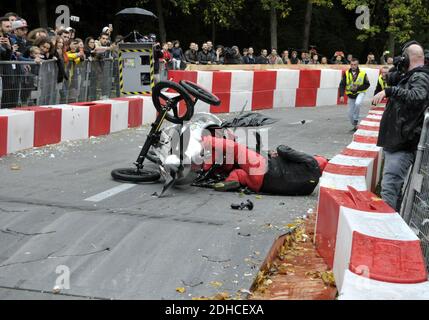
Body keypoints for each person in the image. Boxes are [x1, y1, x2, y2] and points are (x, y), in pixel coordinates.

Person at [373, 42, 429, 211]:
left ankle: (388, 228)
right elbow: (391, 77)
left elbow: (418, 96)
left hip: (404, 141)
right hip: (398, 139)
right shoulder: (410, 75)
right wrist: (398, 67)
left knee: (390, 185)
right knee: (392, 187)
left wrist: (390, 91)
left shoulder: (421, 76)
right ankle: (392, 221)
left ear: (408, 58)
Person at [202, 136, 328, 195]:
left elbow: (283, 149)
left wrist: (277, 153)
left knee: (235, 149)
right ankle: (232, 180)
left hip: (263, 169)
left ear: (318, 160)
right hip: (261, 186)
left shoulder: (311, 162)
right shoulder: (310, 188)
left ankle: (205, 141)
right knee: (241, 174)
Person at [339, 58, 370, 131]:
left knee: (358, 103)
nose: (353, 66)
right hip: (350, 94)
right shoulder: (346, 73)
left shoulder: (363, 73)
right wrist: (341, 95)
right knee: (349, 114)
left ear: (357, 65)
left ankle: (356, 119)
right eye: (352, 65)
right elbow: (342, 85)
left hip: (360, 92)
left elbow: (367, 84)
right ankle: (355, 126)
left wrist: (358, 88)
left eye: (355, 65)